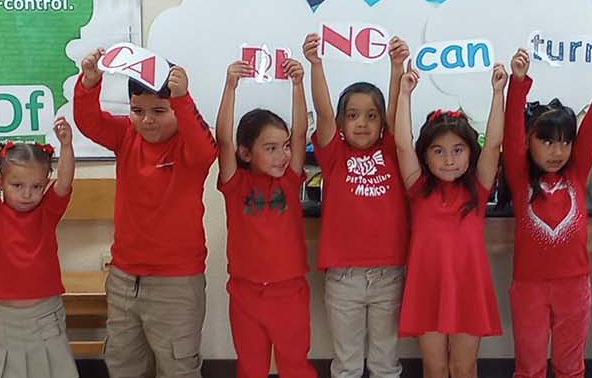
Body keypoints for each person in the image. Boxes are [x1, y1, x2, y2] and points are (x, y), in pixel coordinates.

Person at [72, 50, 219, 378]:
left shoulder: (188, 146)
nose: (147, 119)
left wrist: (182, 100)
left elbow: (207, 151)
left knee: (178, 367)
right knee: (124, 363)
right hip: (124, 278)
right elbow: (89, 122)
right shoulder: (127, 134)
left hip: (176, 284)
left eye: (159, 110)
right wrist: (90, 83)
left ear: (176, 108)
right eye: (137, 110)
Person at [501, 46, 592, 378]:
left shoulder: (575, 174)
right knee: (530, 367)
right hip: (529, 287)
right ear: (530, 142)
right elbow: (512, 133)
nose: (558, 151)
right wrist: (517, 82)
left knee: (571, 366)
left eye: (565, 142)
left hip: (574, 286)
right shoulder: (520, 178)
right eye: (548, 142)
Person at [303, 33, 415, 378]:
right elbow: (323, 112)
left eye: (371, 116)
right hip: (344, 277)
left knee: (385, 362)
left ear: (382, 123)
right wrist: (316, 65)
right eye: (352, 115)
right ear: (341, 123)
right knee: (347, 364)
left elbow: (397, 112)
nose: (362, 123)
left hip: (389, 274)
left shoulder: (393, 153)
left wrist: (396, 68)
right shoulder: (334, 154)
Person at [392, 53, 510, 378]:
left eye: (457, 150)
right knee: (435, 366)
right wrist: (403, 94)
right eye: (438, 151)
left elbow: (494, 144)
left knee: (463, 366)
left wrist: (498, 93)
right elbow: (401, 144)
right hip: (426, 285)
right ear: (425, 156)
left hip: (468, 286)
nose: (448, 160)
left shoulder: (478, 187)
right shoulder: (418, 189)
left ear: (469, 153)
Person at [216, 57, 316, 378]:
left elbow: (301, 134)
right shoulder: (235, 184)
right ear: (246, 153)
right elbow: (224, 140)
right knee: (251, 367)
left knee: (295, 366)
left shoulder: (289, 180)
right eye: (271, 148)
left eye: (284, 146)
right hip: (245, 295)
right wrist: (230, 86)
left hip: (289, 293)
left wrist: (298, 85)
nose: (283, 154)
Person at [0, 115, 79, 378]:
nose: (27, 194)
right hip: (6, 319)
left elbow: (64, 183)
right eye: (18, 185)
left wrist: (67, 147)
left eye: (36, 186)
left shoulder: (47, 212)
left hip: (46, 314)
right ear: (0, 183)